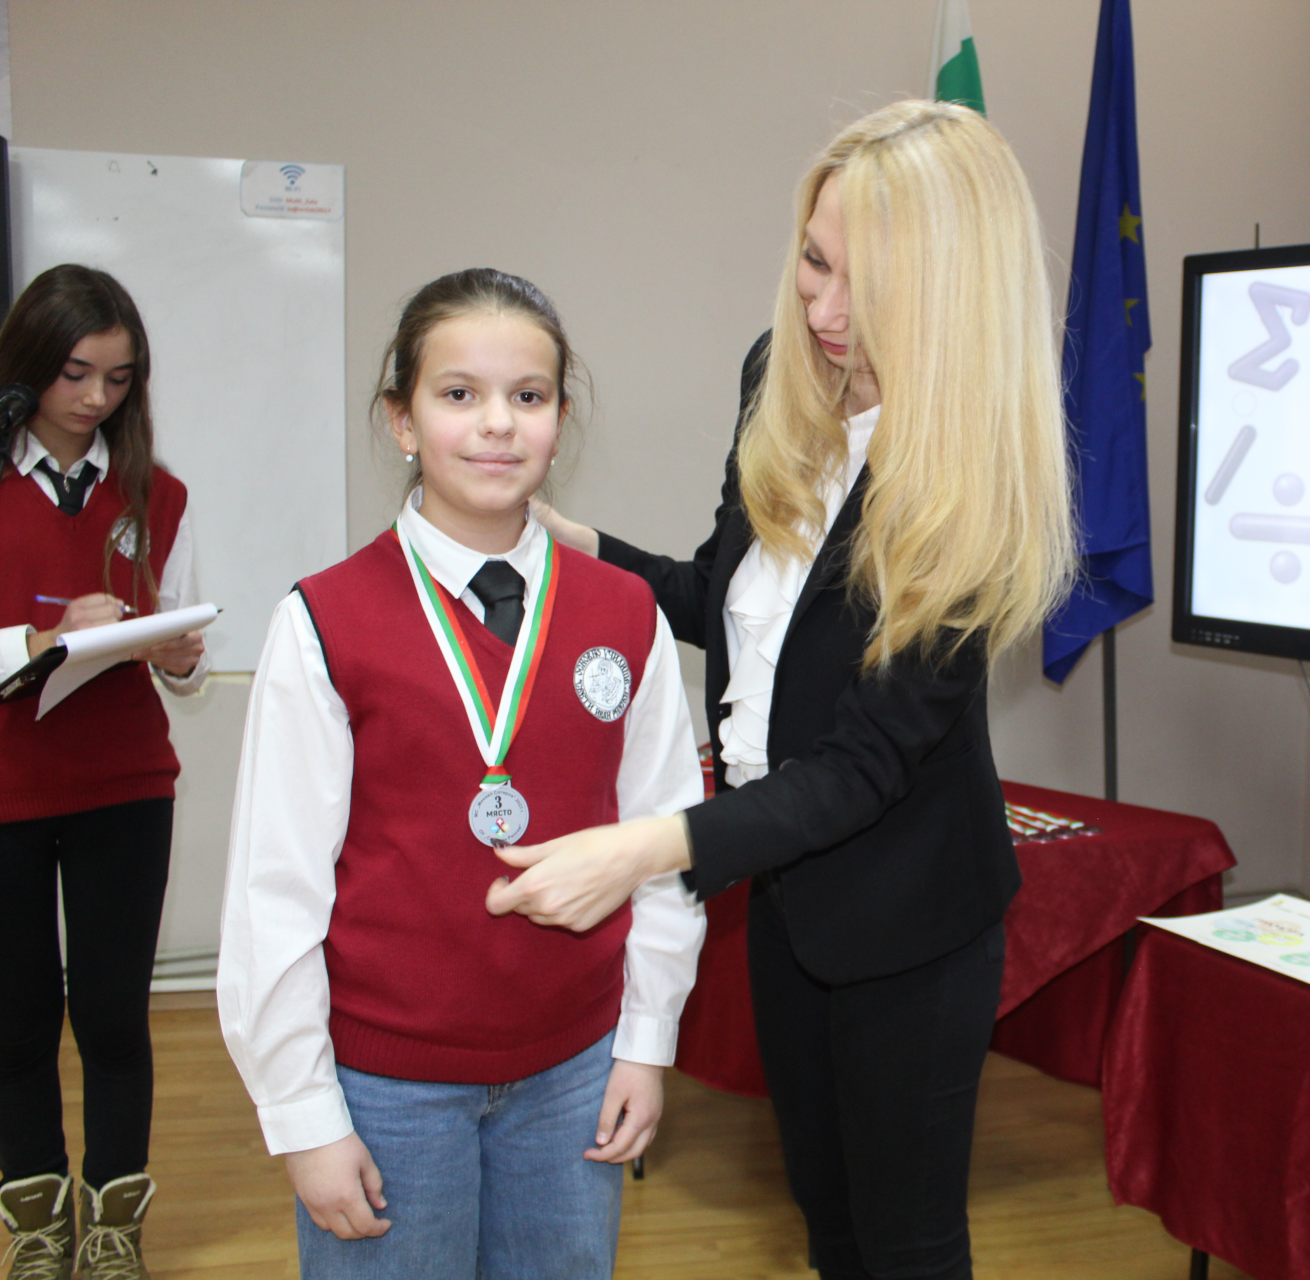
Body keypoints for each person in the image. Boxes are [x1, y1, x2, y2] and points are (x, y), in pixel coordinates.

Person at [500, 101, 1075, 1280]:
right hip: (791, 894)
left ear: (950, 298)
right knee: (828, 1219)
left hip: (912, 918)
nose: (822, 310)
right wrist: (575, 546)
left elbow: (865, 764)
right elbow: (723, 601)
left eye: (868, 287)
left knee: (906, 1246)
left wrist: (647, 847)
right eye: (814, 261)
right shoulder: (780, 373)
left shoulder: (974, 472)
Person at [215, 268, 704, 1279]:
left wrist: (645, 1039)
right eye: (457, 393)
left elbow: (666, 838)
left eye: (528, 395)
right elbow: (275, 890)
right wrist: (304, 1113)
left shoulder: (626, 612)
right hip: (385, 1085)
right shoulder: (324, 620)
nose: (497, 423)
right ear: (401, 418)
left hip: (575, 1069)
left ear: (560, 420)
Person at [0, 265, 208, 1280]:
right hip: (8, 788)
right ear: (29, 366)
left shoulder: (158, 493)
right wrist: (42, 640)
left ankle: (115, 1225)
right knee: (17, 1017)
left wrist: (176, 652)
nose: (94, 398)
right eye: (75, 373)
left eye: (118, 380)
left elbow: (186, 652)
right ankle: (37, 1228)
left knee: (114, 1014)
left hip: (126, 783)